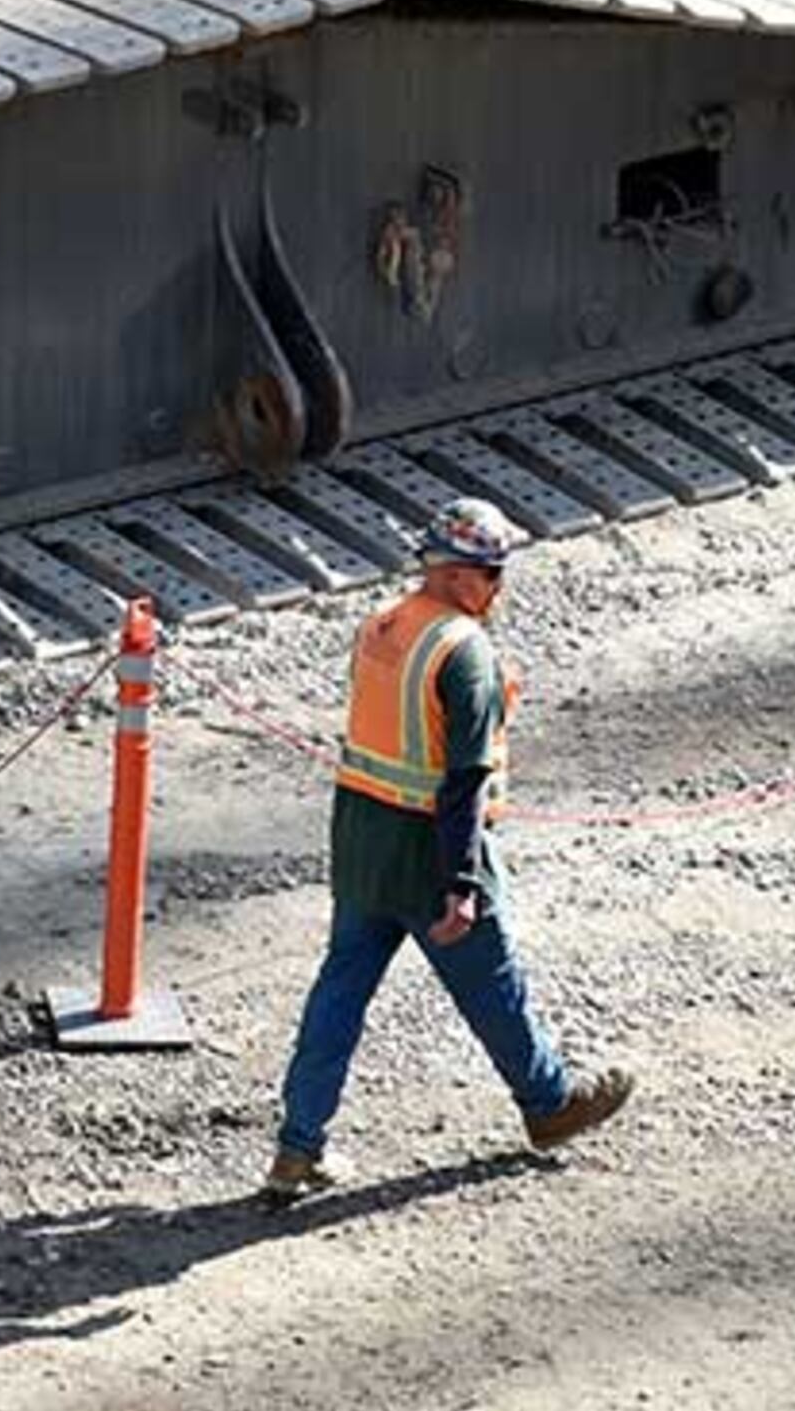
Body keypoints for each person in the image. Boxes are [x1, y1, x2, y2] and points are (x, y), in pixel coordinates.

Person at [264, 496, 631, 1202]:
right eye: (494, 573)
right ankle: (550, 1104)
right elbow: (464, 780)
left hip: (361, 842)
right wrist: (461, 882)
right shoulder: (465, 655)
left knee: (339, 990)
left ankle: (296, 1146)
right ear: (463, 575)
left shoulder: (382, 627)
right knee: (491, 981)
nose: (499, 588)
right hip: (429, 851)